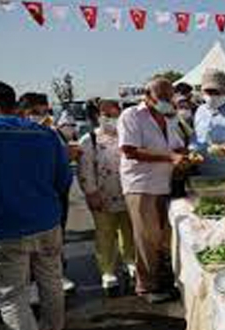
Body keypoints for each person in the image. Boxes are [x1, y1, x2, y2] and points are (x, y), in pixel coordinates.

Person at [0, 81, 72, 330]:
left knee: (12, 295)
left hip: (1, 229)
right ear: (13, 103)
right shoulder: (45, 134)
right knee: (52, 282)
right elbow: (63, 179)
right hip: (47, 222)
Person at [118, 77, 193, 304]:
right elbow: (129, 150)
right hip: (140, 185)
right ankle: (146, 286)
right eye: (162, 97)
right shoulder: (131, 116)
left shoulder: (167, 118)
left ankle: (160, 280)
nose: (167, 101)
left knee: (160, 236)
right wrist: (170, 157)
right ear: (147, 96)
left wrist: (188, 153)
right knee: (146, 237)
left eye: (169, 97)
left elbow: (177, 145)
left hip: (163, 183)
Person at [19, 93, 78, 294]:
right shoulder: (16, 136)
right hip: (26, 199)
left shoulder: (54, 134)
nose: (42, 117)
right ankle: (30, 282)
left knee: (55, 240)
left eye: (45, 112)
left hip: (54, 198)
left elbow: (63, 172)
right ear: (22, 112)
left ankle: (57, 275)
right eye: (36, 112)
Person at [78, 99, 136, 293]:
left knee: (129, 231)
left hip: (128, 194)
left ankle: (130, 261)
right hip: (102, 196)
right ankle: (108, 271)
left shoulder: (128, 137)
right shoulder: (89, 140)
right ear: (98, 116)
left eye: (115, 115)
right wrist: (91, 193)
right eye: (107, 115)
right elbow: (85, 170)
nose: (112, 119)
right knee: (105, 234)